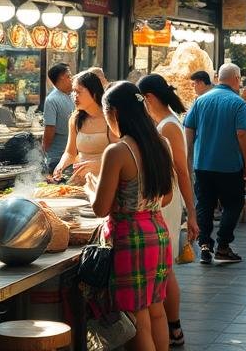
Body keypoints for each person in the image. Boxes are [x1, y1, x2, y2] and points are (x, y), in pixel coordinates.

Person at [92, 82, 175, 351]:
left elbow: (100, 208)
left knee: (136, 317)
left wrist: (91, 187)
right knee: (157, 310)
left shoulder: (117, 152)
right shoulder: (161, 143)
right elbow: (166, 197)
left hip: (130, 239)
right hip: (158, 234)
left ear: (113, 112)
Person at [137, 75, 199, 348]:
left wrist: (192, 213)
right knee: (164, 266)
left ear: (149, 98)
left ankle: (173, 326)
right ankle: (170, 327)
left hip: (169, 201)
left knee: (165, 267)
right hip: (164, 198)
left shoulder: (169, 127)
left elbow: (183, 172)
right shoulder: (163, 123)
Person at [183, 63, 246, 265]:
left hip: (202, 163)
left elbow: (188, 128)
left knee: (204, 204)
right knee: (233, 203)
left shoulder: (200, 100)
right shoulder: (238, 103)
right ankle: (223, 245)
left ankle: (204, 245)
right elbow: (241, 134)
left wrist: (190, 156)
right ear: (237, 79)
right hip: (229, 165)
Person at [52, 71, 115, 187]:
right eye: (73, 91)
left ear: (94, 93)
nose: (74, 96)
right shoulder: (75, 119)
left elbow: (119, 157)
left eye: (79, 91)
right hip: (80, 180)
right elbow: (70, 152)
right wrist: (61, 165)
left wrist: (95, 165)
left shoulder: (110, 118)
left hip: (106, 180)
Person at [41, 63, 75, 175]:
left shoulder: (73, 97)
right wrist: (44, 152)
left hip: (73, 156)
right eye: (69, 76)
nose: (72, 79)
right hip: (56, 158)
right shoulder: (52, 100)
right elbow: (50, 129)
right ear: (62, 77)